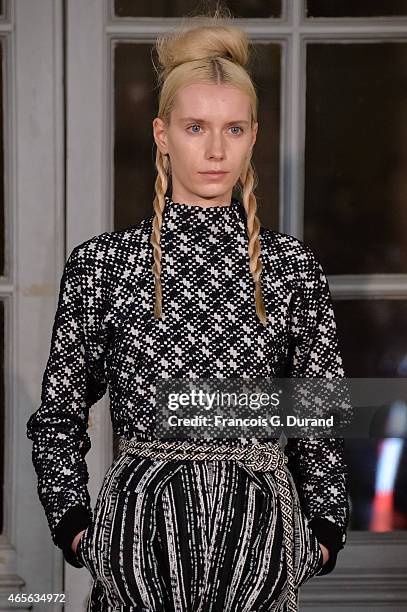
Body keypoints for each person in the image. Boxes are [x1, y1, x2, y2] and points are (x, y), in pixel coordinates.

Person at [26, 8, 350, 612]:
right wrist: (74, 526)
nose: (215, 149)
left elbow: (316, 412)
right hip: (138, 545)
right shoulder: (104, 265)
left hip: (261, 544)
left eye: (233, 129)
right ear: (161, 134)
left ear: (254, 134)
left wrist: (325, 528)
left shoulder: (291, 266)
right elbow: (58, 416)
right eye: (196, 126)